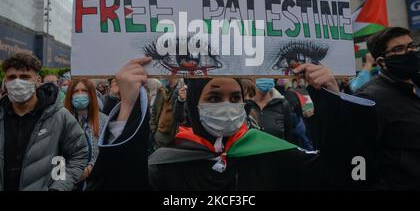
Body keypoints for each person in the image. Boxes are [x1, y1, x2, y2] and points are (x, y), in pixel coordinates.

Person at [87, 57, 376, 191]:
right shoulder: (164, 166)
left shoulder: (277, 155)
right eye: (214, 97)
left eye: (235, 97)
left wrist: (330, 97)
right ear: (194, 106)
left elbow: (347, 174)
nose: (227, 105)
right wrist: (126, 107)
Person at [0, 53, 88, 191]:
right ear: (5, 82)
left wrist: (59, 187)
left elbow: (79, 155)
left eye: (24, 77)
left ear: (38, 81)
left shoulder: (60, 116)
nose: (17, 82)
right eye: (12, 77)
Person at [354, 27, 420, 190]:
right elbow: (359, 156)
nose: (409, 52)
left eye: (411, 46)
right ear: (382, 62)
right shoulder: (369, 99)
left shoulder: (416, 85)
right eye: (398, 49)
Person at [64, 78, 108, 190]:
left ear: (91, 94)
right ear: (70, 95)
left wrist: (89, 170)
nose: (80, 94)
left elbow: (106, 153)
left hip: (95, 182)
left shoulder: (104, 120)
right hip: (67, 182)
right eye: (75, 91)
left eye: (84, 91)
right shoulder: (62, 120)